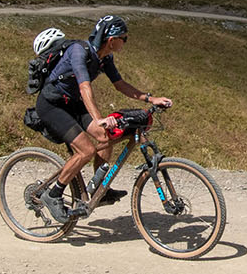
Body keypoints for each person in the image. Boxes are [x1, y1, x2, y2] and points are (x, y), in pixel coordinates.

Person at [30, 15, 171, 223]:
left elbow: (120, 84)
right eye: (124, 37)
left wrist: (151, 98)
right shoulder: (78, 51)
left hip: (72, 103)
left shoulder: (105, 58)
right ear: (111, 39)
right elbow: (84, 86)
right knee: (86, 150)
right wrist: (98, 119)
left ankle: (99, 189)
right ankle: (53, 195)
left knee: (105, 137)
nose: (126, 40)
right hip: (52, 105)